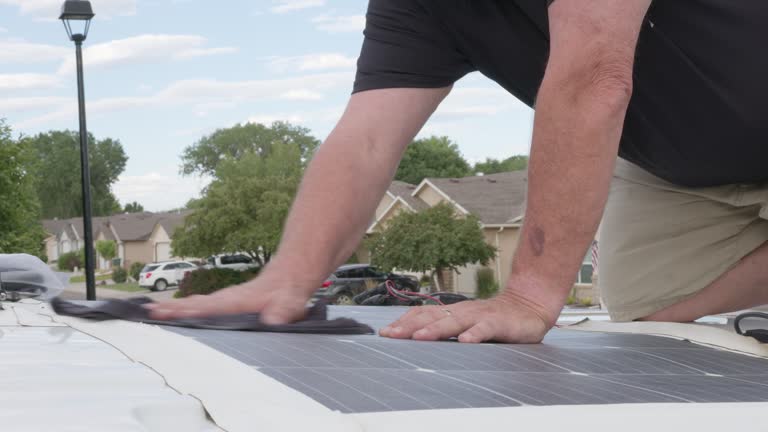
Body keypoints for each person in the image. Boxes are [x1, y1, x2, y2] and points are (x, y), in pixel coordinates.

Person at [148, 1, 768, 343]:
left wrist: (528, 294)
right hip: (687, 175)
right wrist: (284, 280)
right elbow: (366, 139)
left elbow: (593, 76)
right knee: (648, 311)